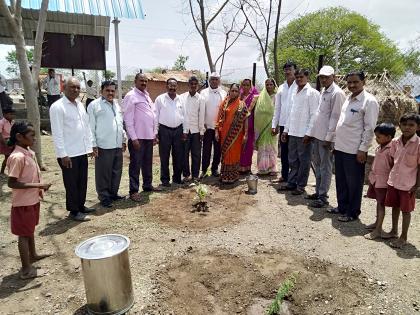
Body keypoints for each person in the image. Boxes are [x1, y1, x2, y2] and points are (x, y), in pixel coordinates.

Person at [331, 71, 379, 222]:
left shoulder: (369, 101)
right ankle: (342, 207)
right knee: (341, 180)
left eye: (355, 82)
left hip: (354, 150)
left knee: (354, 183)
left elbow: (369, 128)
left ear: (363, 82)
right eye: (349, 82)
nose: (351, 85)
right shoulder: (348, 99)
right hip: (340, 147)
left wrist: (363, 149)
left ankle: (352, 212)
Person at [7, 121, 52, 279]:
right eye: (32, 135)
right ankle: (26, 269)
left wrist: (38, 189)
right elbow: (12, 182)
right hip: (23, 203)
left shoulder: (28, 152)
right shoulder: (17, 157)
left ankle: (32, 255)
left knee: (30, 230)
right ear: (19, 137)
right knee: (24, 235)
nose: (35, 138)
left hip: (32, 200)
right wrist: (38, 185)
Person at [50, 77, 95, 221]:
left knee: (82, 181)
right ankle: (74, 211)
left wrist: (89, 147)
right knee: (71, 184)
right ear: (63, 88)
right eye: (72, 87)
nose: (75, 90)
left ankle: (81, 206)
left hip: (81, 151)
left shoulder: (80, 105)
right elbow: (57, 133)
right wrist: (63, 154)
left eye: (77, 87)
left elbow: (86, 127)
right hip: (68, 154)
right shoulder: (58, 107)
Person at [306, 65, 346, 207]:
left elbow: (335, 118)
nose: (323, 79)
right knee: (318, 165)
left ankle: (323, 196)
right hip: (318, 135)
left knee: (325, 167)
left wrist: (329, 139)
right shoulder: (324, 90)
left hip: (326, 138)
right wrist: (312, 133)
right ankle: (318, 191)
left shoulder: (337, 93)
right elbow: (320, 114)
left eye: (326, 77)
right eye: (321, 77)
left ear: (333, 77)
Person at [279, 69, 320, 195]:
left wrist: (309, 133)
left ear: (307, 77)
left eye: (301, 77)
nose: (298, 79)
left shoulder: (312, 93)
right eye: (297, 77)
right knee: (292, 159)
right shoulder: (295, 92)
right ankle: (292, 183)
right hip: (293, 132)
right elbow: (291, 114)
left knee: (304, 161)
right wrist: (285, 130)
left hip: (304, 134)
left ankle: (301, 185)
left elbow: (314, 115)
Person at [88, 81, 126, 208]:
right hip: (103, 145)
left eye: (112, 91)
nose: (110, 93)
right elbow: (90, 127)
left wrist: (123, 139)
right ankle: (104, 196)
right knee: (103, 173)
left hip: (117, 144)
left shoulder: (116, 105)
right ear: (101, 91)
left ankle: (113, 194)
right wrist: (93, 145)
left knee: (116, 171)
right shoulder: (94, 105)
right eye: (107, 90)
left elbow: (120, 123)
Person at [384, 113, 420, 248]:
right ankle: (394, 231)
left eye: (411, 125)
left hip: (408, 184)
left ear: (418, 127)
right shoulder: (395, 142)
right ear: (400, 126)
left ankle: (403, 237)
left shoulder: (418, 144)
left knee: (406, 211)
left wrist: (416, 185)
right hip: (394, 181)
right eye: (404, 124)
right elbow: (393, 161)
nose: (407, 128)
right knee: (395, 207)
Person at [123, 73, 159, 202]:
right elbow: (127, 119)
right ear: (135, 81)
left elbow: (153, 115)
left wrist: (154, 134)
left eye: (145, 81)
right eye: (141, 81)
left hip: (148, 137)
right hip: (137, 138)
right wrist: (133, 138)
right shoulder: (131, 96)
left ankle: (147, 185)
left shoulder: (147, 96)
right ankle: (133, 191)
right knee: (135, 164)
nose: (144, 83)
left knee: (147, 163)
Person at [364, 123, 396, 240]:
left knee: (381, 204)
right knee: (378, 203)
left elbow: (393, 166)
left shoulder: (391, 149)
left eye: (379, 137)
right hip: (376, 180)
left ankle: (378, 230)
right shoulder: (380, 147)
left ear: (388, 137)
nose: (376, 139)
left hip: (383, 182)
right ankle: (377, 223)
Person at [215, 83, 249, 184]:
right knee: (225, 154)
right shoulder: (224, 103)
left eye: (236, 91)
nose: (234, 93)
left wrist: (246, 134)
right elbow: (219, 118)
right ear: (229, 91)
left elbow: (245, 120)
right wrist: (216, 131)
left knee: (234, 154)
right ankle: (225, 175)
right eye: (232, 91)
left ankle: (233, 176)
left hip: (236, 135)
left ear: (239, 92)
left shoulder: (242, 104)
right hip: (224, 134)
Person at [155, 78, 184, 186]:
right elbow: (155, 116)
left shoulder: (181, 99)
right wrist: (155, 132)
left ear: (177, 87)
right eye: (170, 85)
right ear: (166, 86)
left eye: (174, 85)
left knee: (178, 156)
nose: (172, 87)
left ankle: (177, 178)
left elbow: (184, 116)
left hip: (178, 130)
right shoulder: (160, 99)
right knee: (164, 156)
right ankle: (165, 180)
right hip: (164, 130)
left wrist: (185, 131)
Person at [272, 61, 297, 183]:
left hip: (296, 125)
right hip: (282, 124)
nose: (287, 72)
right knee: (284, 151)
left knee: (294, 153)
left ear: (295, 71)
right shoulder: (281, 88)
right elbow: (277, 107)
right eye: (286, 70)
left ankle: (294, 178)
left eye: (290, 69)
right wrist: (274, 124)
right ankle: (285, 175)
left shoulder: (299, 86)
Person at [200, 72, 227, 178]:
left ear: (219, 81)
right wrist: (202, 125)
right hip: (207, 127)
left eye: (216, 79)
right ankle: (204, 170)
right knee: (206, 150)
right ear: (209, 80)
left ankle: (215, 168)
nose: (214, 81)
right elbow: (201, 110)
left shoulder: (224, 93)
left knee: (217, 150)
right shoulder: (204, 93)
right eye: (212, 79)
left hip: (219, 128)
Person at [181, 76, 205, 182]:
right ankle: (186, 175)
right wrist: (183, 130)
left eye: (195, 84)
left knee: (196, 154)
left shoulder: (201, 98)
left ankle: (195, 175)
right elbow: (181, 114)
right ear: (188, 85)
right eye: (191, 84)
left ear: (198, 85)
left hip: (196, 131)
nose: (193, 86)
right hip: (185, 131)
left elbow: (202, 115)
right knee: (184, 154)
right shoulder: (182, 97)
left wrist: (201, 131)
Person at [254, 78, 278, 175]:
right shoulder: (261, 97)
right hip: (263, 126)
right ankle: (262, 168)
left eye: (271, 84)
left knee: (271, 147)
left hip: (272, 125)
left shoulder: (277, 96)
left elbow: (278, 111)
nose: (269, 86)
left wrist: (276, 126)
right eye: (267, 84)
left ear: (274, 85)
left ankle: (272, 168)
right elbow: (258, 111)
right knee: (262, 147)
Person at [239, 79, 258, 174]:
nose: (245, 87)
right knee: (239, 145)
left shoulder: (254, 96)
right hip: (238, 124)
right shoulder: (239, 96)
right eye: (244, 85)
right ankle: (239, 166)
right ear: (241, 86)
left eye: (247, 85)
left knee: (249, 146)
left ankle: (247, 167)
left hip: (250, 123)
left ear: (250, 86)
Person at [0, 108, 15, 175]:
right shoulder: (1, 122)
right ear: (5, 114)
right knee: (7, 156)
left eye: (13, 114)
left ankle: (3, 171)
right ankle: (2, 171)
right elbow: (0, 134)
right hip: (3, 141)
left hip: (10, 140)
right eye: (10, 114)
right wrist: (5, 143)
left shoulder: (12, 122)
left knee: (8, 156)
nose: (12, 116)